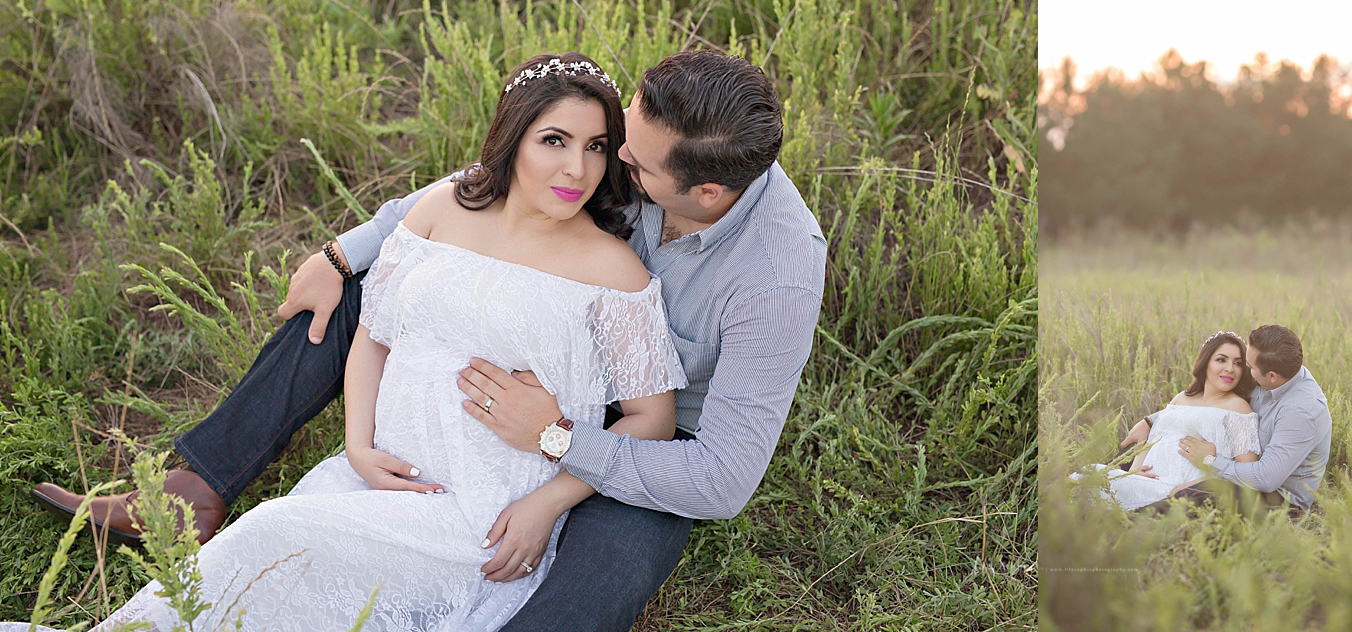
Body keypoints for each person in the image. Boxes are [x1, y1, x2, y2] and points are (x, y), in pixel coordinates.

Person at [30, 49, 827, 631]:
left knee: (597, 578)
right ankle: (194, 492)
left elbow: (720, 480)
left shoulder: (775, 278)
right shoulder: (654, 139)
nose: (610, 163)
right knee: (364, 296)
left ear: (708, 192)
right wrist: (342, 252)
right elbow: (483, 190)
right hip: (533, 329)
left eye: (632, 164)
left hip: (645, 426)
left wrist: (558, 442)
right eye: (613, 144)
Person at [1123, 324, 1332, 516]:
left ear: (1272, 376)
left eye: (1248, 366)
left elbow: (1265, 479)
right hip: (1248, 474)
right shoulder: (1270, 373)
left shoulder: (1302, 412)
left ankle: (1136, 518)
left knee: (1208, 491)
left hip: (1278, 499)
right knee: (1131, 451)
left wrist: (1210, 462)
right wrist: (1150, 421)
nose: (1240, 371)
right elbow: (1208, 406)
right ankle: (1112, 487)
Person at [1071, 331, 1261, 510]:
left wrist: (1200, 485)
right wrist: (1136, 468)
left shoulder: (1238, 407)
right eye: (1221, 360)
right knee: (1087, 475)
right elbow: (1156, 436)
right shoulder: (1182, 397)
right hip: (1148, 481)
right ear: (1205, 362)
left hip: (1182, 489)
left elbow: (1247, 472)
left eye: (1237, 363)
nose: (1230, 369)